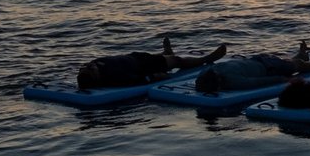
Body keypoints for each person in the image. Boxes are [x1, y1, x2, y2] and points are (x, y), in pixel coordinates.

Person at [191, 42, 310, 95]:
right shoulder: (233, 82)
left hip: (260, 61)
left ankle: (302, 55)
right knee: (298, 66)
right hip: (268, 67)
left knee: (292, 64)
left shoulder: (206, 74)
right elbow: (259, 82)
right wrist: (283, 79)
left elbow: (255, 82)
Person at [77, 36, 226, 92]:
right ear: (95, 77)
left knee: (160, 57)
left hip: (134, 57)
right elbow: (136, 79)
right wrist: (156, 77)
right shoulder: (114, 77)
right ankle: (207, 58)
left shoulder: (93, 68)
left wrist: (89, 67)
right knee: (176, 62)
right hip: (143, 66)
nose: (91, 65)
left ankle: (166, 53)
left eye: (87, 66)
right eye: (91, 68)